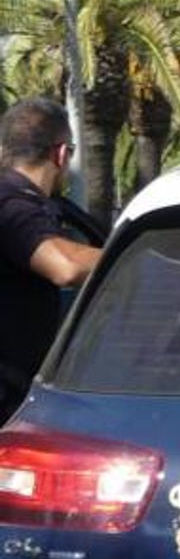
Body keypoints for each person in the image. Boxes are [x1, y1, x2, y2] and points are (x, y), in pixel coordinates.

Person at [0, 97, 102, 419]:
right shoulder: (12, 205)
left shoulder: (53, 208)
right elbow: (66, 266)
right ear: (61, 154)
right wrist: (129, 260)